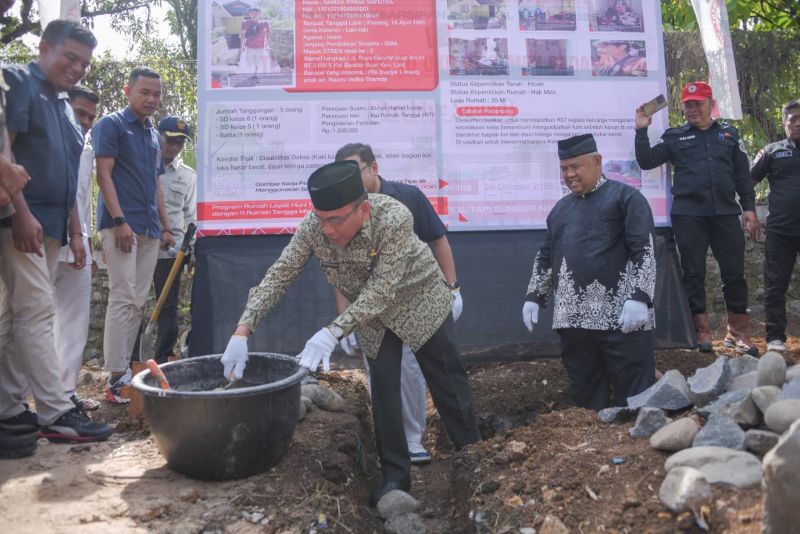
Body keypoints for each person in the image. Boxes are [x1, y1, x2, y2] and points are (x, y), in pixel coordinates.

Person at [220, 160, 481, 506]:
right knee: (384, 391)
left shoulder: (394, 217)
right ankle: (395, 476)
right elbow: (279, 274)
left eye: (337, 220)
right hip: (371, 316)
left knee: (448, 382)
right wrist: (242, 330)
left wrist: (333, 332)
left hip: (420, 299)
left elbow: (383, 290)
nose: (327, 229)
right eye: (321, 218)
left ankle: (473, 460)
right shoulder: (314, 228)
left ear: (364, 209)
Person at [0, 20, 112, 444]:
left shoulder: (60, 101)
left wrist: (74, 231)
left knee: (16, 316)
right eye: (70, 57)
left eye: (85, 63)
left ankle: (9, 407)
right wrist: (20, 212)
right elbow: (5, 152)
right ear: (44, 48)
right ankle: (56, 410)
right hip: (22, 222)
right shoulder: (20, 82)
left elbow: (67, 177)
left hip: (50, 226)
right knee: (37, 312)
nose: (78, 68)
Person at [333, 143, 462, 465]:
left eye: (355, 172)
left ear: (374, 168)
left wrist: (453, 288)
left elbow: (438, 239)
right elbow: (340, 267)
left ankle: (413, 438)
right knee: (379, 374)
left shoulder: (408, 197)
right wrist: (343, 318)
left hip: (412, 301)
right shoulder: (344, 211)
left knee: (410, 367)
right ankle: (389, 449)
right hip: (370, 308)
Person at [522, 134, 657, 410]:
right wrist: (534, 296)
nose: (569, 174)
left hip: (622, 317)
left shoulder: (626, 198)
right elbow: (546, 255)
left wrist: (640, 296)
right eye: (564, 168)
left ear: (597, 161)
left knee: (634, 396)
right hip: (573, 322)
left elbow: (644, 249)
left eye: (575, 166)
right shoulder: (560, 209)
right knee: (585, 398)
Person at [635, 81, 760, 355]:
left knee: (734, 273)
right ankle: (701, 331)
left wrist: (749, 208)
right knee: (693, 273)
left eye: (698, 104)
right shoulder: (675, 137)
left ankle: (737, 331)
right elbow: (646, 161)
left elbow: (742, 175)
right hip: (689, 215)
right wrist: (641, 129)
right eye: (688, 105)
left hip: (726, 213)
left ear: (710, 104)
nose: (692, 109)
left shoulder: (729, 135)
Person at [92, 67, 176, 403]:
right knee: (122, 295)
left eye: (157, 94)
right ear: (128, 91)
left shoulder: (154, 135)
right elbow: (103, 175)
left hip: (150, 228)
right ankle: (115, 377)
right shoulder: (111, 125)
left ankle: (125, 371)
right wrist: (119, 221)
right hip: (121, 226)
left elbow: (156, 185)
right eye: (145, 92)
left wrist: (166, 227)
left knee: (139, 303)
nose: (152, 99)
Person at [130, 116, 196, 363]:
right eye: (170, 141)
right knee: (134, 304)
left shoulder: (187, 176)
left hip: (171, 251)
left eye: (180, 143)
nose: (174, 147)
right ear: (158, 137)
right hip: (140, 246)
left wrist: (192, 250)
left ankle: (163, 359)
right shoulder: (140, 166)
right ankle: (132, 360)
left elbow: (191, 216)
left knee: (168, 306)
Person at [53, 84, 100, 413]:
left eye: (90, 117)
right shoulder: (42, 142)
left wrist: (88, 244)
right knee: (29, 321)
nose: (85, 122)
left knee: (74, 324)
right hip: (41, 242)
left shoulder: (86, 152)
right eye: (79, 113)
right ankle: (16, 403)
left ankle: (65, 394)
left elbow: (84, 203)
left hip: (78, 247)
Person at [750, 100, 800, 353]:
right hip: (781, 232)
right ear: (784, 123)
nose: (798, 123)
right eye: (792, 119)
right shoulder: (772, 151)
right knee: (775, 286)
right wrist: (750, 213)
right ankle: (776, 339)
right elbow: (747, 182)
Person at [239, 7, 272, 75]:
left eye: (256, 13)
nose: (254, 15)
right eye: (252, 13)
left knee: (258, 61)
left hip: (260, 46)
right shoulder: (245, 22)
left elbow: (268, 34)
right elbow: (242, 35)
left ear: (259, 14)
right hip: (249, 46)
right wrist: (242, 46)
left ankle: (256, 73)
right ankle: (250, 73)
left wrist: (268, 45)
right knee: (249, 61)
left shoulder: (265, 23)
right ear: (249, 14)